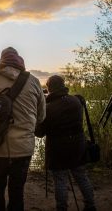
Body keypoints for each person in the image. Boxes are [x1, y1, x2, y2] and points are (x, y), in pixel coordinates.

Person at [0, 47, 46, 211]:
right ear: (19, 60)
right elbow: (41, 117)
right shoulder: (34, 82)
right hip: (23, 148)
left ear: (1, 60)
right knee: (17, 191)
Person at [35, 75, 96, 211]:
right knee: (81, 176)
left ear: (49, 88)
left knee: (60, 179)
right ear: (64, 85)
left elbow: (39, 133)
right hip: (78, 144)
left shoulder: (48, 108)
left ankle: (62, 208)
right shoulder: (76, 101)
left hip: (58, 147)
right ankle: (90, 205)